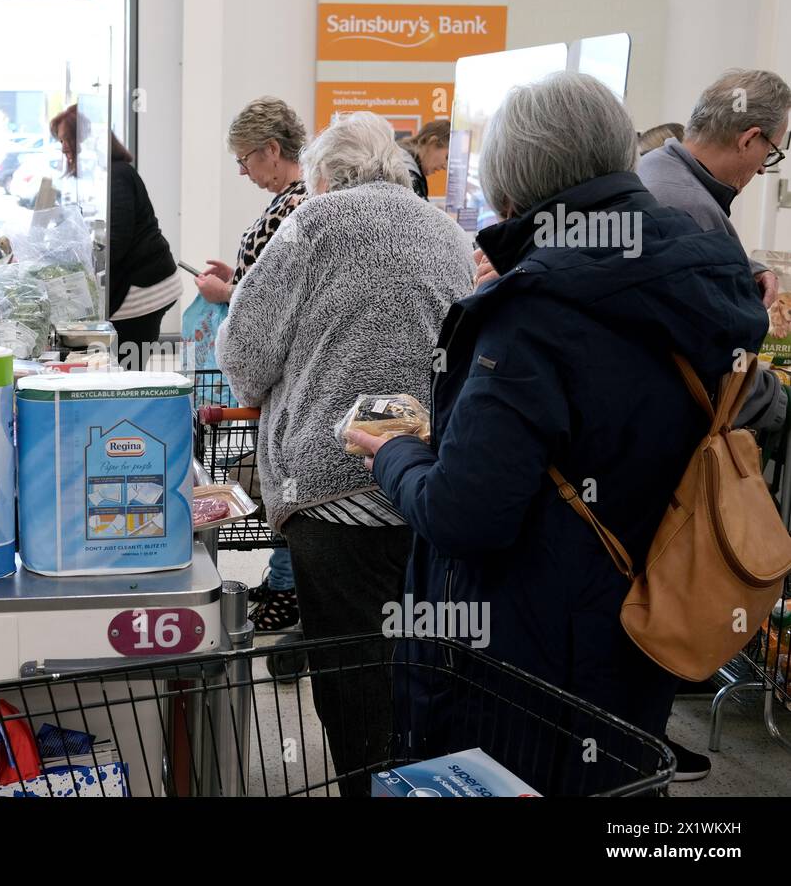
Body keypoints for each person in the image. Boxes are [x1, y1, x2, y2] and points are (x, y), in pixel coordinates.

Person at [355, 73, 770, 790]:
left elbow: (468, 513)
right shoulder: (714, 270)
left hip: (521, 658)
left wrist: (395, 454)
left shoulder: (529, 316)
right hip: (647, 621)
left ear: (511, 186)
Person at [218, 112, 474, 792]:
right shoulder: (447, 232)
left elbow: (243, 352)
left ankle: (367, 784)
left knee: (350, 667)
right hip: (429, 482)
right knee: (418, 663)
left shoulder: (312, 224)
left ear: (323, 176)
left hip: (334, 485)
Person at [197, 96, 311, 632]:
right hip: (281, 374)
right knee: (275, 482)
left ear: (271, 149)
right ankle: (283, 577)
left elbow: (277, 303)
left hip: (286, 378)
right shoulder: (294, 201)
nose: (243, 172)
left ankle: (289, 589)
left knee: (282, 484)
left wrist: (227, 294)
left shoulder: (299, 205)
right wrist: (234, 281)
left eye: (245, 160)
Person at [637, 69, 790, 309]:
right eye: (770, 152)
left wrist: (749, 270)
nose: (762, 169)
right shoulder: (690, 208)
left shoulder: (650, 165)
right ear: (748, 140)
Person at [50, 105, 178, 369]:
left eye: (65, 140)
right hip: (135, 286)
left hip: (144, 290)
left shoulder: (118, 175)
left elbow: (116, 243)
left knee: (125, 370)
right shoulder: (104, 176)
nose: (63, 148)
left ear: (83, 139)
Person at [397, 120, 451, 200]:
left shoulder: (401, 159)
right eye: (447, 157)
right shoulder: (408, 174)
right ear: (433, 142)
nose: (445, 167)